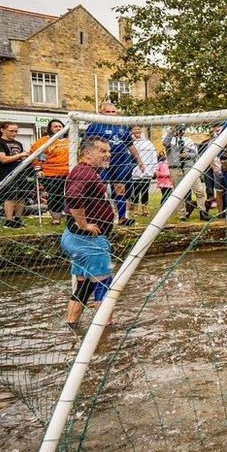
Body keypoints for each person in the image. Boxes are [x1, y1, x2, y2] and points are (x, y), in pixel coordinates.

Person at [60, 136, 117, 328]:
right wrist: (84, 225)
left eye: (108, 151)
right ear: (87, 153)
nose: (107, 155)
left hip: (76, 239)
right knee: (104, 286)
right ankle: (105, 331)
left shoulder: (87, 171)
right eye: (102, 151)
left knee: (84, 287)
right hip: (87, 241)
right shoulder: (84, 172)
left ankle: (72, 325)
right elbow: (74, 198)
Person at [84, 101, 143, 226]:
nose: (111, 114)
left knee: (120, 188)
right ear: (101, 113)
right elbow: (86, 145)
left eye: (113, 111)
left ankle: (122, 217)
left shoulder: (122, 125)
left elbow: (129, 144)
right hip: (102, 162)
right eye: (108, 112)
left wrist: (139, 160)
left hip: (121, 161)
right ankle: (98, 217)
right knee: (100, 189)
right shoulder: (94, 126)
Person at [0, 121, 35, 229]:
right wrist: (20, 154)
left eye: (16, 131)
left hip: (20, 172)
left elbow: (22, 159)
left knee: (21, 196)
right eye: (11, 131)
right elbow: (3, 159)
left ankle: (18, 219)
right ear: (3, 130)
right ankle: (9, 220)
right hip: (6, 172)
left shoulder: (18, 143)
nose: (14, 133)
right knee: (10, 197)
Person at [163, 125, 207, 221]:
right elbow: (165, 143)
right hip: (175, 168)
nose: (180, 132)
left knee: (199, 190)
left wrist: (187, 155)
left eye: (182, 130)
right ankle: (182, 214)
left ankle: (202, 211)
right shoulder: (170, 139)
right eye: (178, 130)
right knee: (179, 192)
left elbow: (195, 153)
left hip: (189, 167)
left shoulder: (188, 140)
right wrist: (171, 133)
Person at [30, 119, 70, 224]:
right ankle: (56, 218)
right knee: (56, 195)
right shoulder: (43, 141)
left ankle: (71, 216)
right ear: (50, 129)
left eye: (60, 126)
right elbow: (37, 157)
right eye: (55, 126)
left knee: (72, 194)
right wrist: (38, 169)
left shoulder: (69, 140)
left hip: (69, 171)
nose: (58, 128)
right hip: (52, 172)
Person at [128, 126, 158, 217]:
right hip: (135, 170)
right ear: (131, 131)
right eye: (135, 129)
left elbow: (153, 155)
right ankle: (135, 209)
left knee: (145, 190)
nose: (137, 131)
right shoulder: (129, 142)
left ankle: (145, 209)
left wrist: (154, 168)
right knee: (136, 190)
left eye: (138, 129)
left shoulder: (148, 142)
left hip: (147, 170)